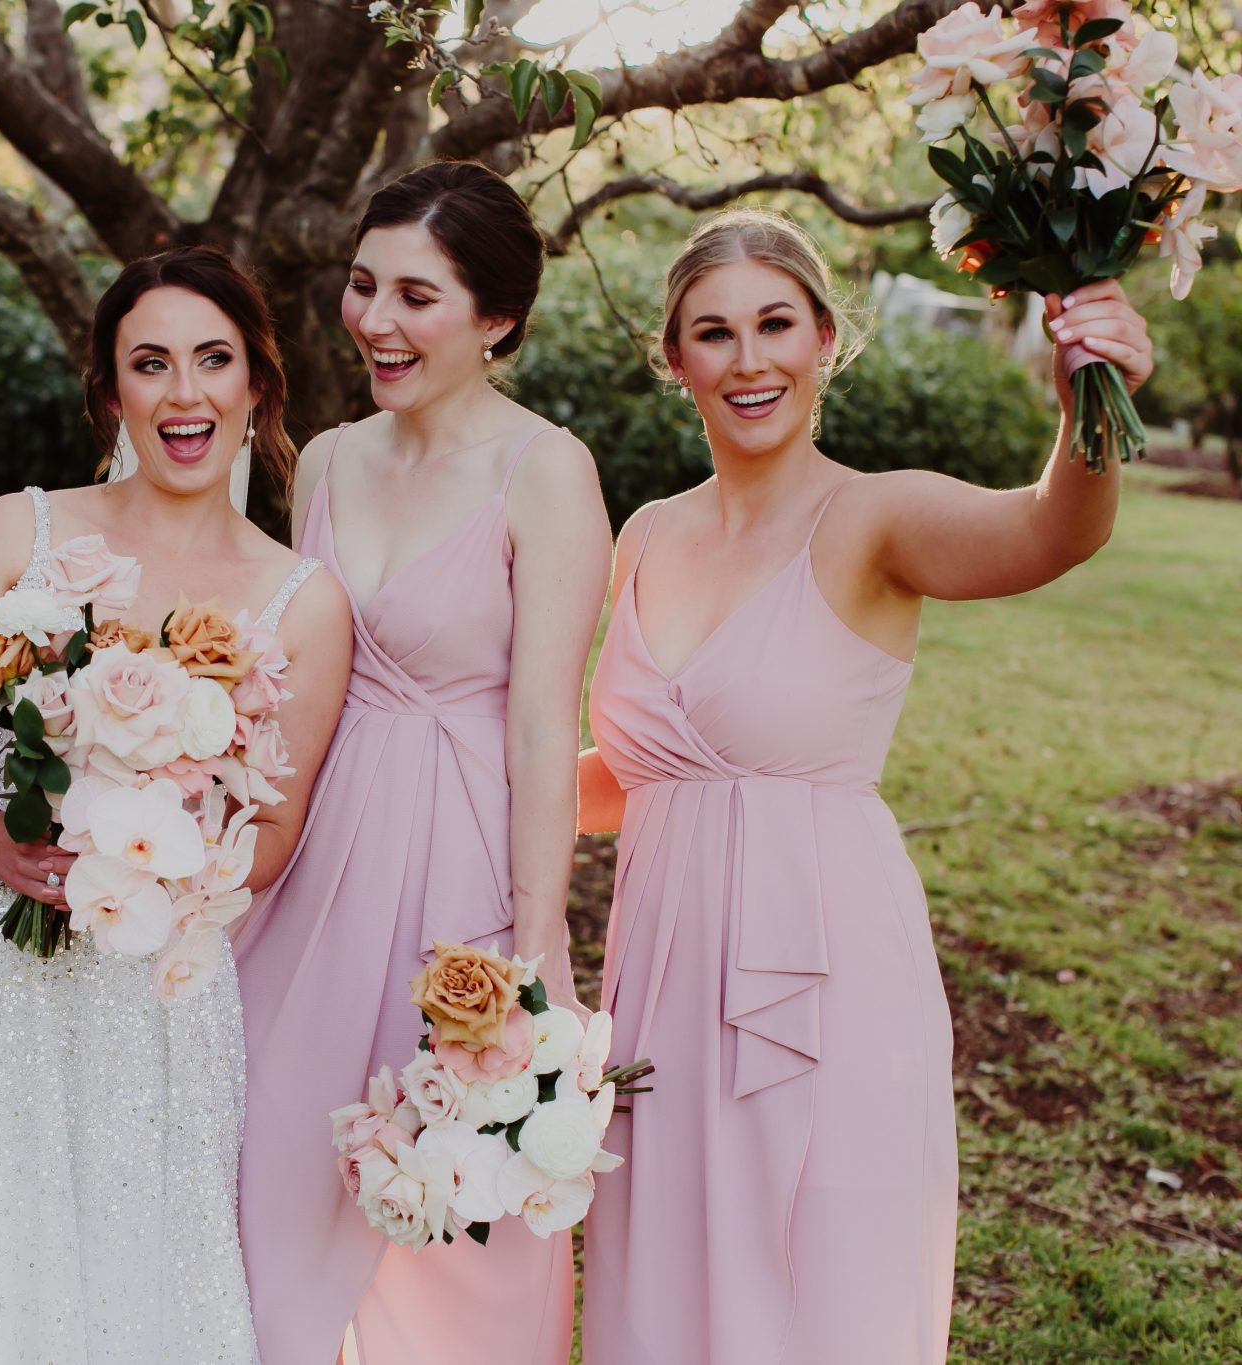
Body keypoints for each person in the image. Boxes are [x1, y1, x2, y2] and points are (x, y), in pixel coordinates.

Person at [576, 208, 1153, 1365]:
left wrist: (1082, 404)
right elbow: (637, 776)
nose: (748, 360)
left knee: (818, 1292)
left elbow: (1049, 530)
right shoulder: (641, 534)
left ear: (825, 338)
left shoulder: (874, 517)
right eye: (713, 333)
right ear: (673, 357)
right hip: (660, 983)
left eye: (774, 324)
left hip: (822, 980)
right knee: (668, 1292)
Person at [0, 245, 351, 1365]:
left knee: (136, 1295)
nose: (183, 393)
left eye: (212, 360)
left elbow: (270, 835)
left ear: (257, 384)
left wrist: (145, 854)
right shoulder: (17, 533)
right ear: (111, 389)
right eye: (150, 363)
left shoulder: (303, 602)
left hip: (151, 995)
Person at [232, 160, 611, 1365]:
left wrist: (534, 945)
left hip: (460, 863)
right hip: (317, 859)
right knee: (275, 1160)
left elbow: (543, 722)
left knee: (456, 1197)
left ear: (494, 318)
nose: (374, 321)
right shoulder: (330, 459)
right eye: (362, 285)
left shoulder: (544, 470)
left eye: (414, 296)